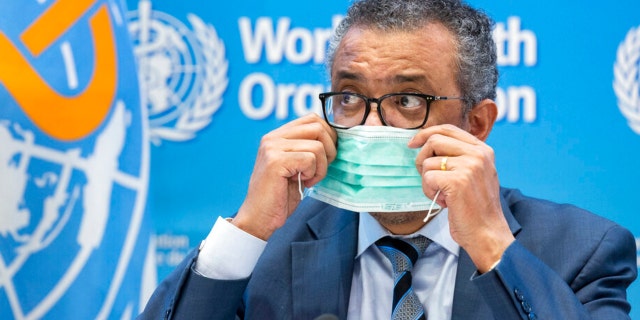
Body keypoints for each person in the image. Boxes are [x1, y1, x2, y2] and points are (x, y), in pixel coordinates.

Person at [139, 0, 637, 319]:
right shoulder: (267, 252)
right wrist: (247, 230)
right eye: (350, 98)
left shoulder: (581, 251)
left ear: (477, 124)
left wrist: (491, 244)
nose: (371, 127)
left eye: (407, 101)